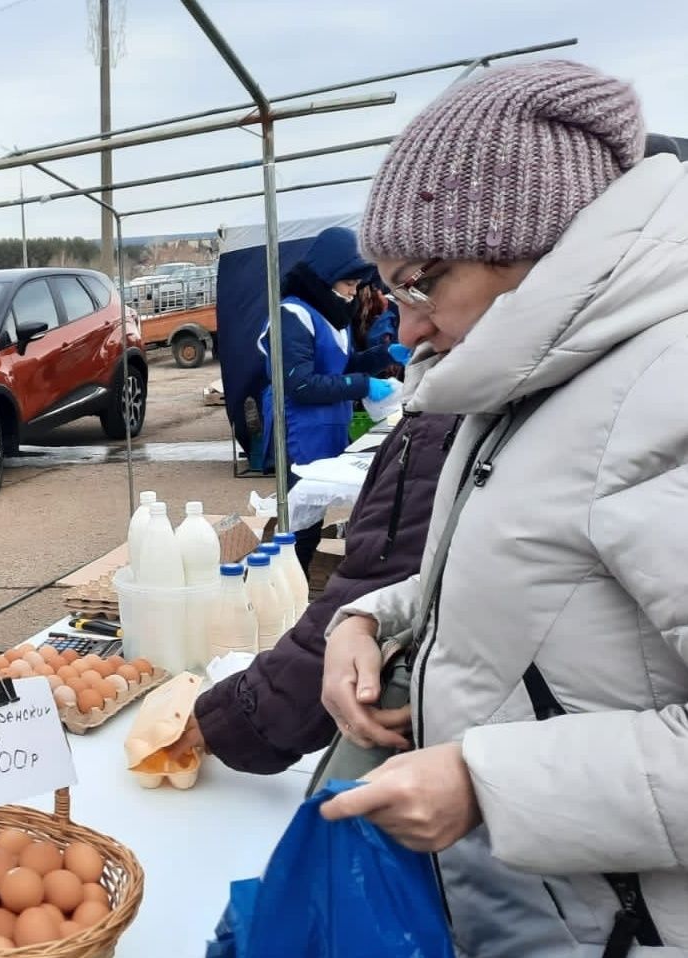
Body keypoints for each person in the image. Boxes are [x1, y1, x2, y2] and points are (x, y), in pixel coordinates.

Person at [316, 61, 688, 955]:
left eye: (418, 283)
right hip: (543, 909)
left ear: (531, 241)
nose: (402, 329)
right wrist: (371, 618)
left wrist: (490, 783)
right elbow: (541, 574)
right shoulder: (537, 378)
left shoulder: (667, 391)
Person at [167, 412, 458, 770]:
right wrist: (363, 618)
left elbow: (382, 575)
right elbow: (433, 579)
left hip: (448, 731)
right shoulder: (462, 402)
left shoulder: (446, 418)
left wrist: (235, 717)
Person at [255, 227, 406, 569]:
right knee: (299, 527)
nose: (353, 293)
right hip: (299, 431)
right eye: (349, 284)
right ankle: (288, 593)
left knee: (313, 517)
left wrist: (386, 354)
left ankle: (298, 588)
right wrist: (362, 385)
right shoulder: (292, 316)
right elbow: (301, 384)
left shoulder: (333, 317)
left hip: (328, 429)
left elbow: (342, 364)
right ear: (327, 276)